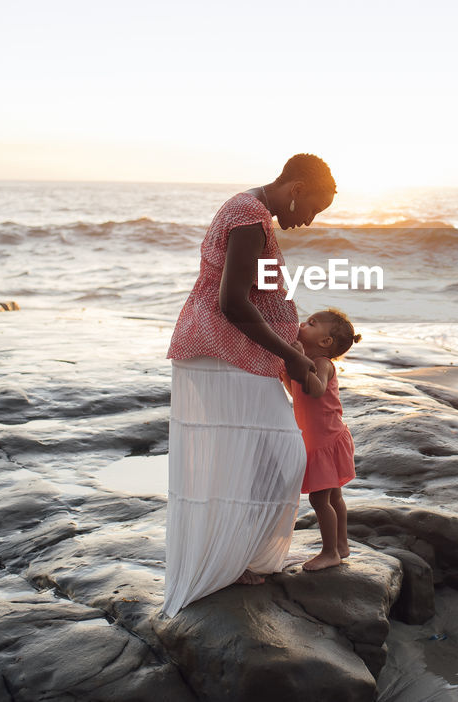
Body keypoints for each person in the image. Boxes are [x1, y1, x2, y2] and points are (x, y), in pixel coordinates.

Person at [162, 154, 336, 618]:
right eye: (313, 207)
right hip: (222, 353)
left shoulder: (254, 214)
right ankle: (232, 559)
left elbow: (252, 296)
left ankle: (238, 558)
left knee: (250, 459)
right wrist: (294, 355)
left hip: (233, 355)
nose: (310, 220)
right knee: (283, 456)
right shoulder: (248, 217)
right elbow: (233, 303)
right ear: (296, 188)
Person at [281, 309, 362, 572]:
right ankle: (342, 545)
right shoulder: (309, 360)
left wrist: (296, 360)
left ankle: (330, 553)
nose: (303, 324)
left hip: (324, 441)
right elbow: (297, 392)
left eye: (311, 323)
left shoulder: (323, 364)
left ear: (325, 342)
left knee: (320, 500)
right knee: (335, 496)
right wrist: (288, 370)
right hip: (326, 436)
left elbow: (315, 390)